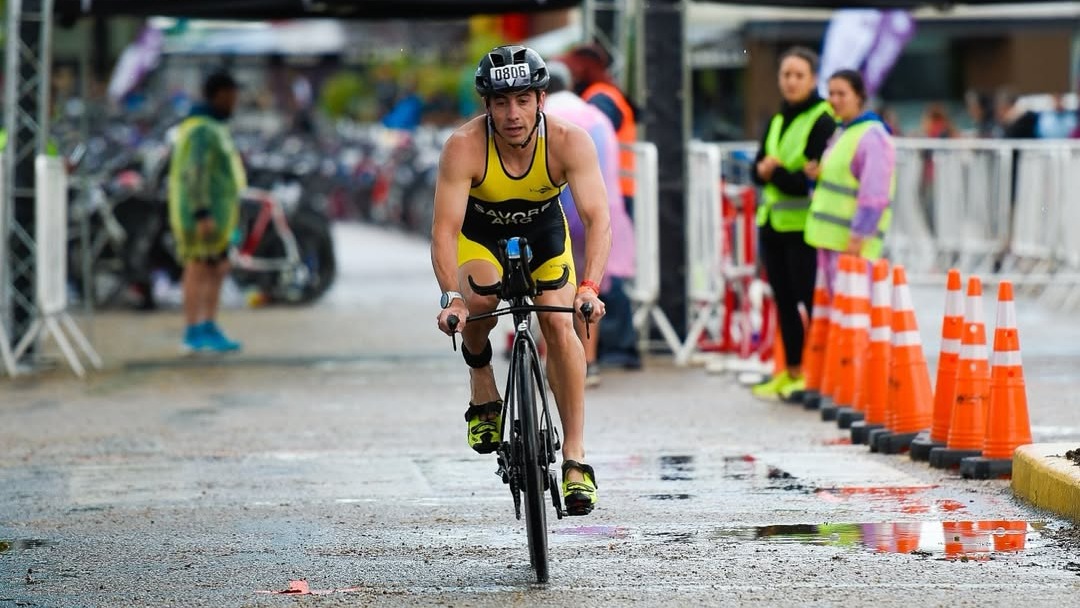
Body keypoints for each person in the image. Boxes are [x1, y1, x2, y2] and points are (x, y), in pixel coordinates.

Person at [431, 46, 611, 516]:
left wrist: (589, 287)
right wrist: (451, 299)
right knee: (478, 302)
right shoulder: (463, 146)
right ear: (487, 106)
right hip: (481, 238)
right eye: (501, 102)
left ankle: (575, 458)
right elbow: (445, 231)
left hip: (545, 237)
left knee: (561, 324)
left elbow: (598, 218)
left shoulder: (569, 142)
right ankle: (482, 379)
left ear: (541, 99)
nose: (513, 114)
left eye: (523, 100)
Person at [748, 47, 837, 402]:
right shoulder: (777, 119)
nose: (791, 81)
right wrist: (765, 171)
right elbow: (756, 168)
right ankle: (792, 370)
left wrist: (774, 172)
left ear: (813, 79)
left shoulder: (822, 119)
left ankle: (818, 372)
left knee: (809, 301)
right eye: (786, 74)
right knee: (783, 301)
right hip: (772, 225)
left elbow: (806, 183)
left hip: (804, 228)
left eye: (799, 75)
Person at [542, 60, 636, 387]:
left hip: (555, 213)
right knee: (588, 289)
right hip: (597, 213)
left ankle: (552, 360)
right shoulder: (595, 116)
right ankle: (589, 362)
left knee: (548, 286)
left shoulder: (540, 116)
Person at [560, 43, 642, 370]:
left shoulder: (601, 98)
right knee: (604, 267)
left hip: (614, 190)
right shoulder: (602, 95)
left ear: (587, 66)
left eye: (574, 65)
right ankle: (607, 345)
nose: (572, 73)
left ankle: (619, 345)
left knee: (608, 269)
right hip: (611, 189)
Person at [167, 70, 246, 354]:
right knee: (198, 268)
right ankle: (193, 330)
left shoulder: (213, 126)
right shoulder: (201, 129)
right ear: (220, 95)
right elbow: (194, 172)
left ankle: (209, 325)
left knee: (217, 268)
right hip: (201, 217)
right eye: (232, 96)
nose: (235, 102)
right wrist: (201, 213)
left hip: (218, 217)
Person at [804, 69, 895, 294]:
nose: (834, 100)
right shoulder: (843, 133)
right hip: (833, 244)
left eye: (841, 94)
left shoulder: (872, 137)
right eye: (830, 93)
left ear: (859, 96)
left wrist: (857, 238)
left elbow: (874, 195)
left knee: (856, 311)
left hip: (853, 248)